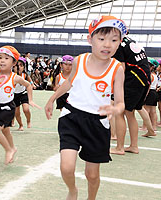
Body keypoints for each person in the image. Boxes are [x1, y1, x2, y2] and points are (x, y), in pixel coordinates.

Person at [45, 16, 126, 200]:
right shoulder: (79, 61)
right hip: (71, 116)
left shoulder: (117, 69)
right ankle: (72, 190)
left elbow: (121, 102)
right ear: (90, 39)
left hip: (98, 124)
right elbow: (69, 82)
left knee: (92, 174)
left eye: (114, 40)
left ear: (119, 43)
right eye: (101, 39)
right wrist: (51, 99)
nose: (107, 45)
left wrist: (115, 109)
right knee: (66, 166)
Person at [0, 45, 40, 164]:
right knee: (5, 130)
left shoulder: (15, 78)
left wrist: (30, 100)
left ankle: (8, 150)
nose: (2, 60)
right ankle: (13, 147)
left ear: (14, 62)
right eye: (0, 57)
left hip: (8, 107)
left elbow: (28, 85)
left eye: (6, 58)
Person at [111, 34, 151, 155]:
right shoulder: (131, 41)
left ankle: (119, 147)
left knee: (120, 112)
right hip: (144, 78)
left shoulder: (118, 44)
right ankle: (133, 146)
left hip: (134, 79)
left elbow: (121, 67)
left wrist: (114, 84)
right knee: (130, 112)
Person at [13, 57, 35, 131]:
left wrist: (32, 84)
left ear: (24, 67)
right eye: (17, 65)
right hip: (14, 95)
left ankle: (28, 121)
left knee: (26, 109)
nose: (19, 67)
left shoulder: (25, 75)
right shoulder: (11, 75)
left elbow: (30, 81)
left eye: (21, 65)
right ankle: (20, 125)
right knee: (16, 112)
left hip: (23, 93)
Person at [141, 57, 159, 136]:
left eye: (149, 65)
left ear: (152, 67)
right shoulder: (155, 75)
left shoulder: (150, 75)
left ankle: (145, 126)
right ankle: (154, 126)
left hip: (150, 92)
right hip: (154, 92)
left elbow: (148, 86)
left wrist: (145, 95)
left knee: (146, 110)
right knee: (153, 111)